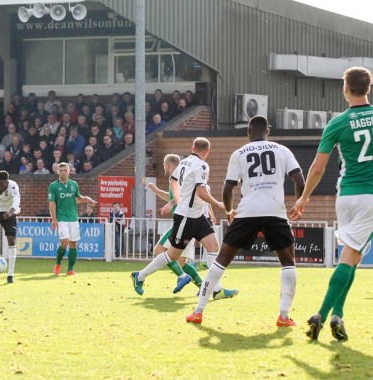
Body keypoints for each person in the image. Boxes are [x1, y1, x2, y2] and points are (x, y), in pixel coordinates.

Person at [186, 116, 305, 327]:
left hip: (247, 212)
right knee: (288, 263)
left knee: (221, 260)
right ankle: (283, 316)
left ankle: (198, 312)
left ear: (248, 132)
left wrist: (230, 212)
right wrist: (299, 203)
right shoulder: (282, 150)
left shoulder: (238, 154)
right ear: (267, 131)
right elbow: (299, 179)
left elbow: (227, 189)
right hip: (275, 212)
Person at [291, 67, 373, 341]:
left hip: (346, 196)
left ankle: (338, 314)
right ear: (369, 88)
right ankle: (322, 315)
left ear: (345, 89)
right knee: (351, 257)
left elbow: (317, 168)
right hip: (370, 196)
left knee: (351, 257)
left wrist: (304, 197)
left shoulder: (337, 123)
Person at [130, 138, 228, 298]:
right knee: (173, 255)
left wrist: (174, 202)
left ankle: (216, 289)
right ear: (208, 151)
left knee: (213, 246)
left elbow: (174, 183)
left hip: (196, 215)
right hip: (187, 216)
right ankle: (139, 276)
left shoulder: (183, 163)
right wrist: (218, 203)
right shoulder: (202, 165)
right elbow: (201, 192)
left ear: (192, 148)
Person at [48, 162, 97, 276]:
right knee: (64, 242)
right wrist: (54, 219)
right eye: (61, 170)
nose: (63, 172)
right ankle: (58, 264)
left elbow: (77, 199)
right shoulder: (53, 186)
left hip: (73, 218)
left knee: (73, 244)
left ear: (69, 171)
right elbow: (51, 204)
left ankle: (70, 270)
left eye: (65, 170)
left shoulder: (74, 184)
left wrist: (87, 199)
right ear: (57, 172)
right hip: (61, 219)